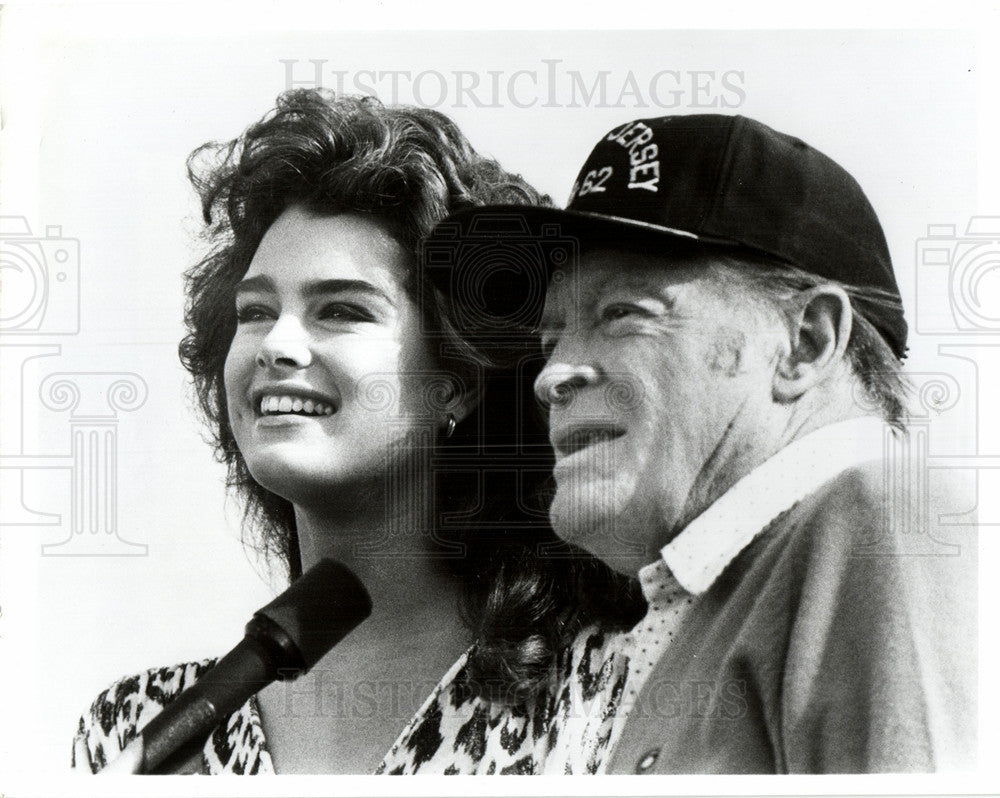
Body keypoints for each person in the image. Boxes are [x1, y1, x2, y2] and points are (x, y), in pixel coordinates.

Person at [70, 89, 642, 775]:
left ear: (456, 378)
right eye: (254, 311)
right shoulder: (138, 731)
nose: (276, 344)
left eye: (341, 310)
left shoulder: (602, 692)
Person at [427, 114, 977, 773]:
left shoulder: (876, 520)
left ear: (806, 342)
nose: (550, 375)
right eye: (550, 340)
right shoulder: (726, 593)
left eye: (621, 314)